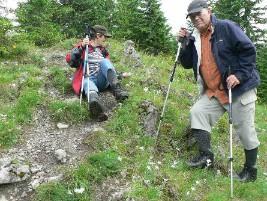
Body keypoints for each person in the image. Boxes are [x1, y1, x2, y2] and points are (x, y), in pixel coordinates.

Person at [178, 0, 260, 182]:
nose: (196, 18)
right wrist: (184, 43)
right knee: (197, 112)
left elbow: (249, 50)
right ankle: (206, 157)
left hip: (238, 89)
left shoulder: (225, 27)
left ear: (209, 11)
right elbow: (185, 64)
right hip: (214, 91)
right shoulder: (195, 38)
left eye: (199, 13)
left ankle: (250, 171)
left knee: (245, 130)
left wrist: (239, 75)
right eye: (192, 16)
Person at [66, 25, 128, 121]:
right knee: (86, 81)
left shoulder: (103, 51)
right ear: (98, 35)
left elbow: (108, 68)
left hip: (101, 80)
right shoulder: (84, 47)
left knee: (105, 62)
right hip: (89, 79)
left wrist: (120, 75)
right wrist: (81, 47)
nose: (106, 39)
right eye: (105, 37)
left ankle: (118, 91)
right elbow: (71, 61)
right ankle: (96, 108)